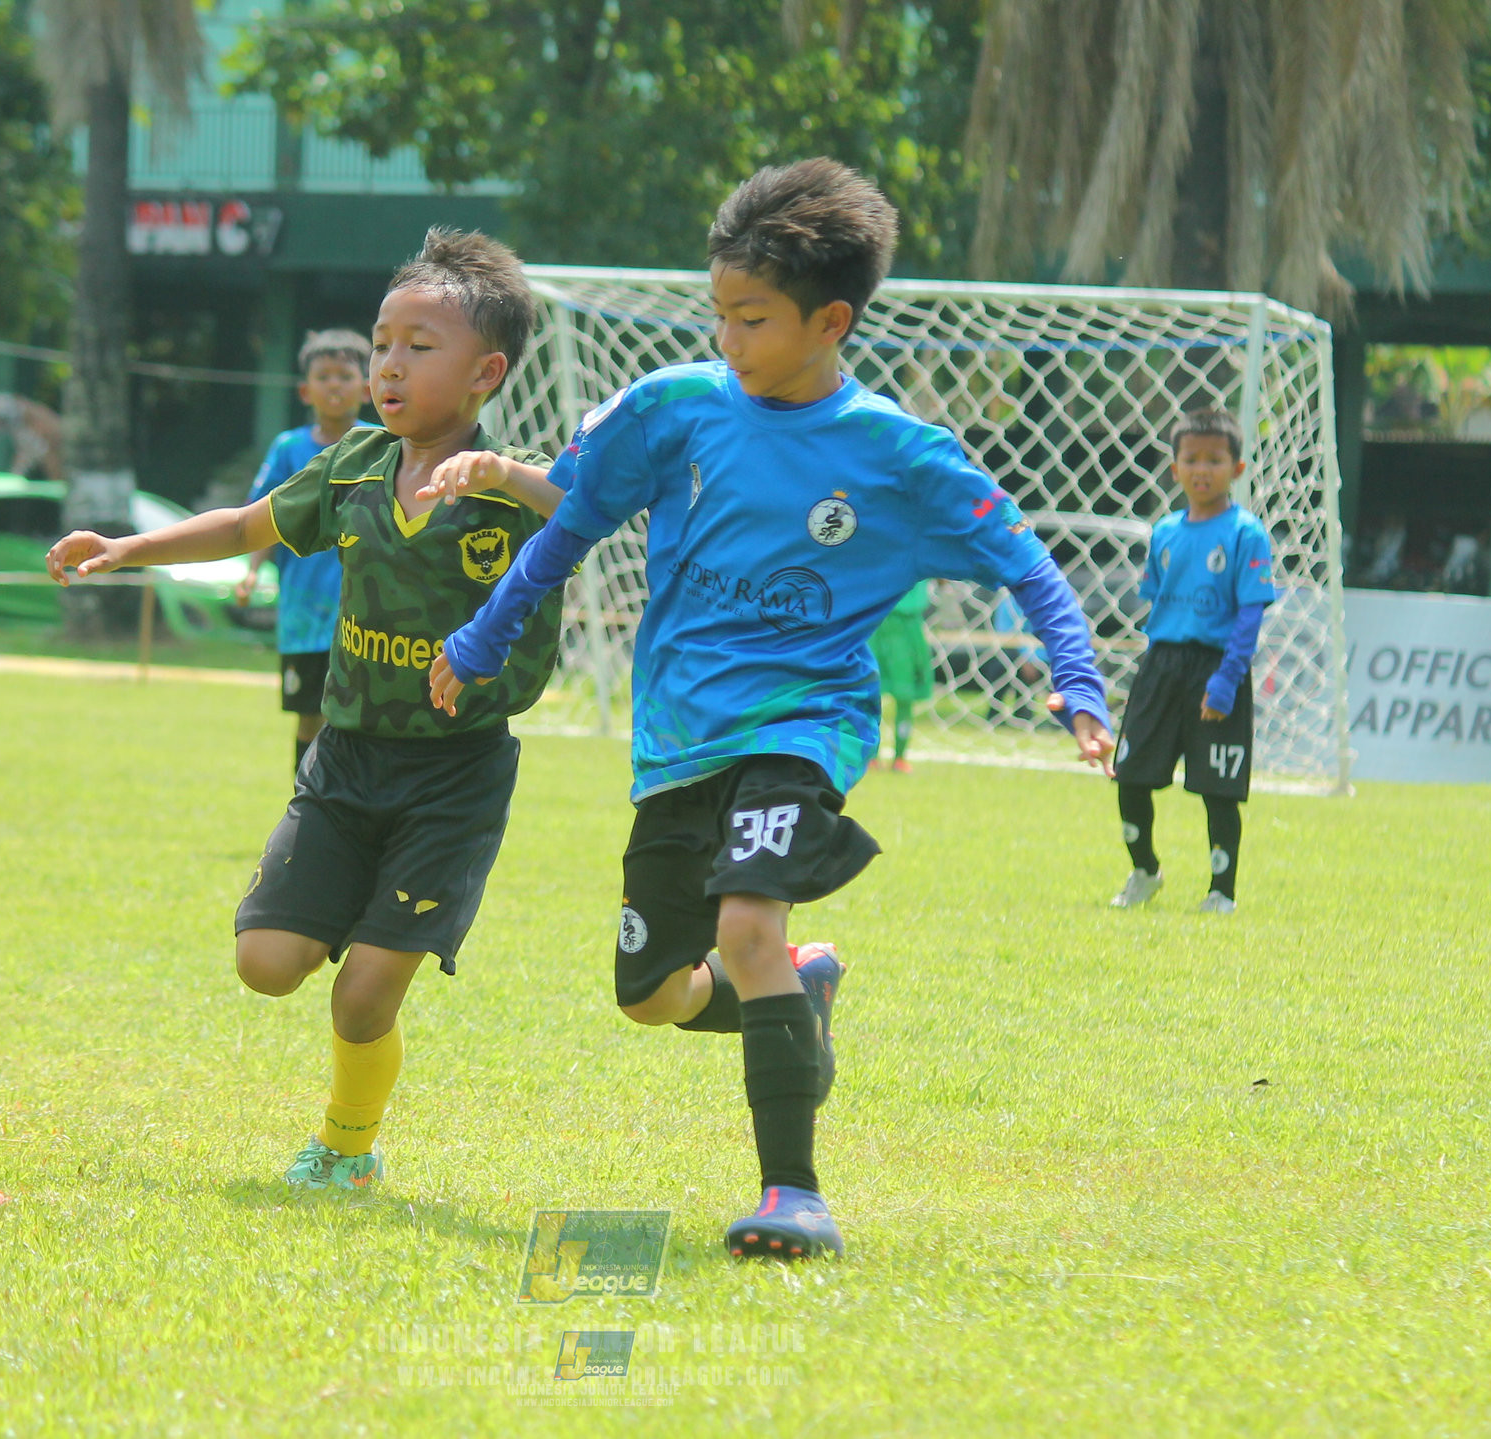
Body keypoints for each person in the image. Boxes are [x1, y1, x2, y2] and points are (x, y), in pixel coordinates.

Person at [427, 160, 1112, 1261]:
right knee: (648, 994)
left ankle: (793, 1193)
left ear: (829, 320)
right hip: (677, 738)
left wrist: (1075, 681)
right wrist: (484, 631)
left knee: (748, 926)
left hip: (806, 722)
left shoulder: (896, 454)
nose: (728, 338)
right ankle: (799, 989)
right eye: (720, 315)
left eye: (751, 319)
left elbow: (1027, 566)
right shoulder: (672, 409)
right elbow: (571, 526)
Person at [45, 229, 563, 1192]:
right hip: (347, 758)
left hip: (453, 777)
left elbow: (589, 502)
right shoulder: (356, 464)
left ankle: (347, 1146)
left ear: (486, 372)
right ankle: (344, 910)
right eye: (382, 343)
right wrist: (127, 547)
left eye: (420, 346)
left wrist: (507, 479)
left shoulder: (518, 488)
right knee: (267, 963)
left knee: (363, 1000)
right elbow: (248, 526)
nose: (389, 366)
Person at [1108, 408, 1277, 916]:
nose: (1203, 469)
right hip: (1161, 665)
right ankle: (1145, 870)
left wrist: (1227, 680)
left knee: (1217, 787)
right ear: (1175, 468)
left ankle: (1221, 891)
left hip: (1217, 666)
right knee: (1131, 773)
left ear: (1237, 468)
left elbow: (1249, 614)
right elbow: (1156, 601)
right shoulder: (1163, 532)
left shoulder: (1247, 533)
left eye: (1215, 460)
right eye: (1192, 459)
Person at [244, 329, 372, 774]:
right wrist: (251, 572)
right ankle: (306, 801)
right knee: (308, 715)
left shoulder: (382, 445)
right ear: (305, 390)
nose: (334, 385)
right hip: (302, 614)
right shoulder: (289, 448)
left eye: (345, 375)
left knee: (361, 714)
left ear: (368, 387)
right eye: (323, 376)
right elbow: (261, 518)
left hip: (364, 612)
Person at [867, 581, 932, 772]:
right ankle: (871, 756)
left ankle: (900, 757)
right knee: (870, 691)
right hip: (878, 622)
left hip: (908, 626)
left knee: (905, 694)